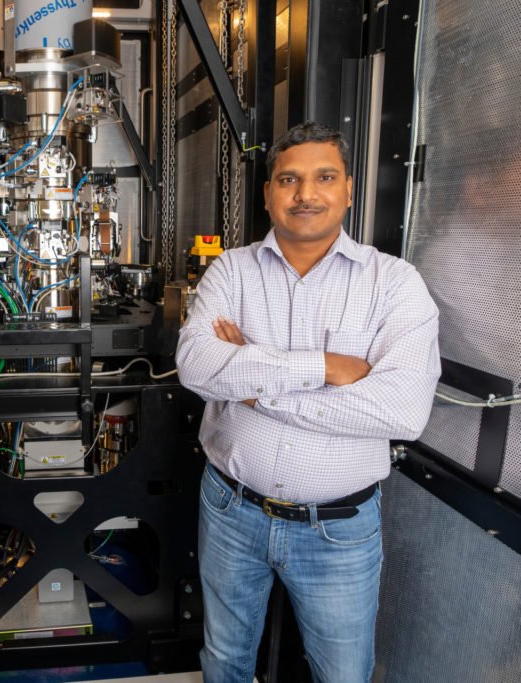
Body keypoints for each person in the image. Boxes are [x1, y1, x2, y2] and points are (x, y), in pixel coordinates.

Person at [175, 121, 440, 682]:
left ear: (348, 189)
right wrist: (325, 368)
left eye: (324, 177)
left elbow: (402, 412)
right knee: (224, 661)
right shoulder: (231, 271)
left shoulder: (395, 284)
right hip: (230, 510)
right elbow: (197, 367)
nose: (305, 194)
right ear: (268, 192)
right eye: (288, 179)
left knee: (342, 673)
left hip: (338, 529)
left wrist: (253, 381)